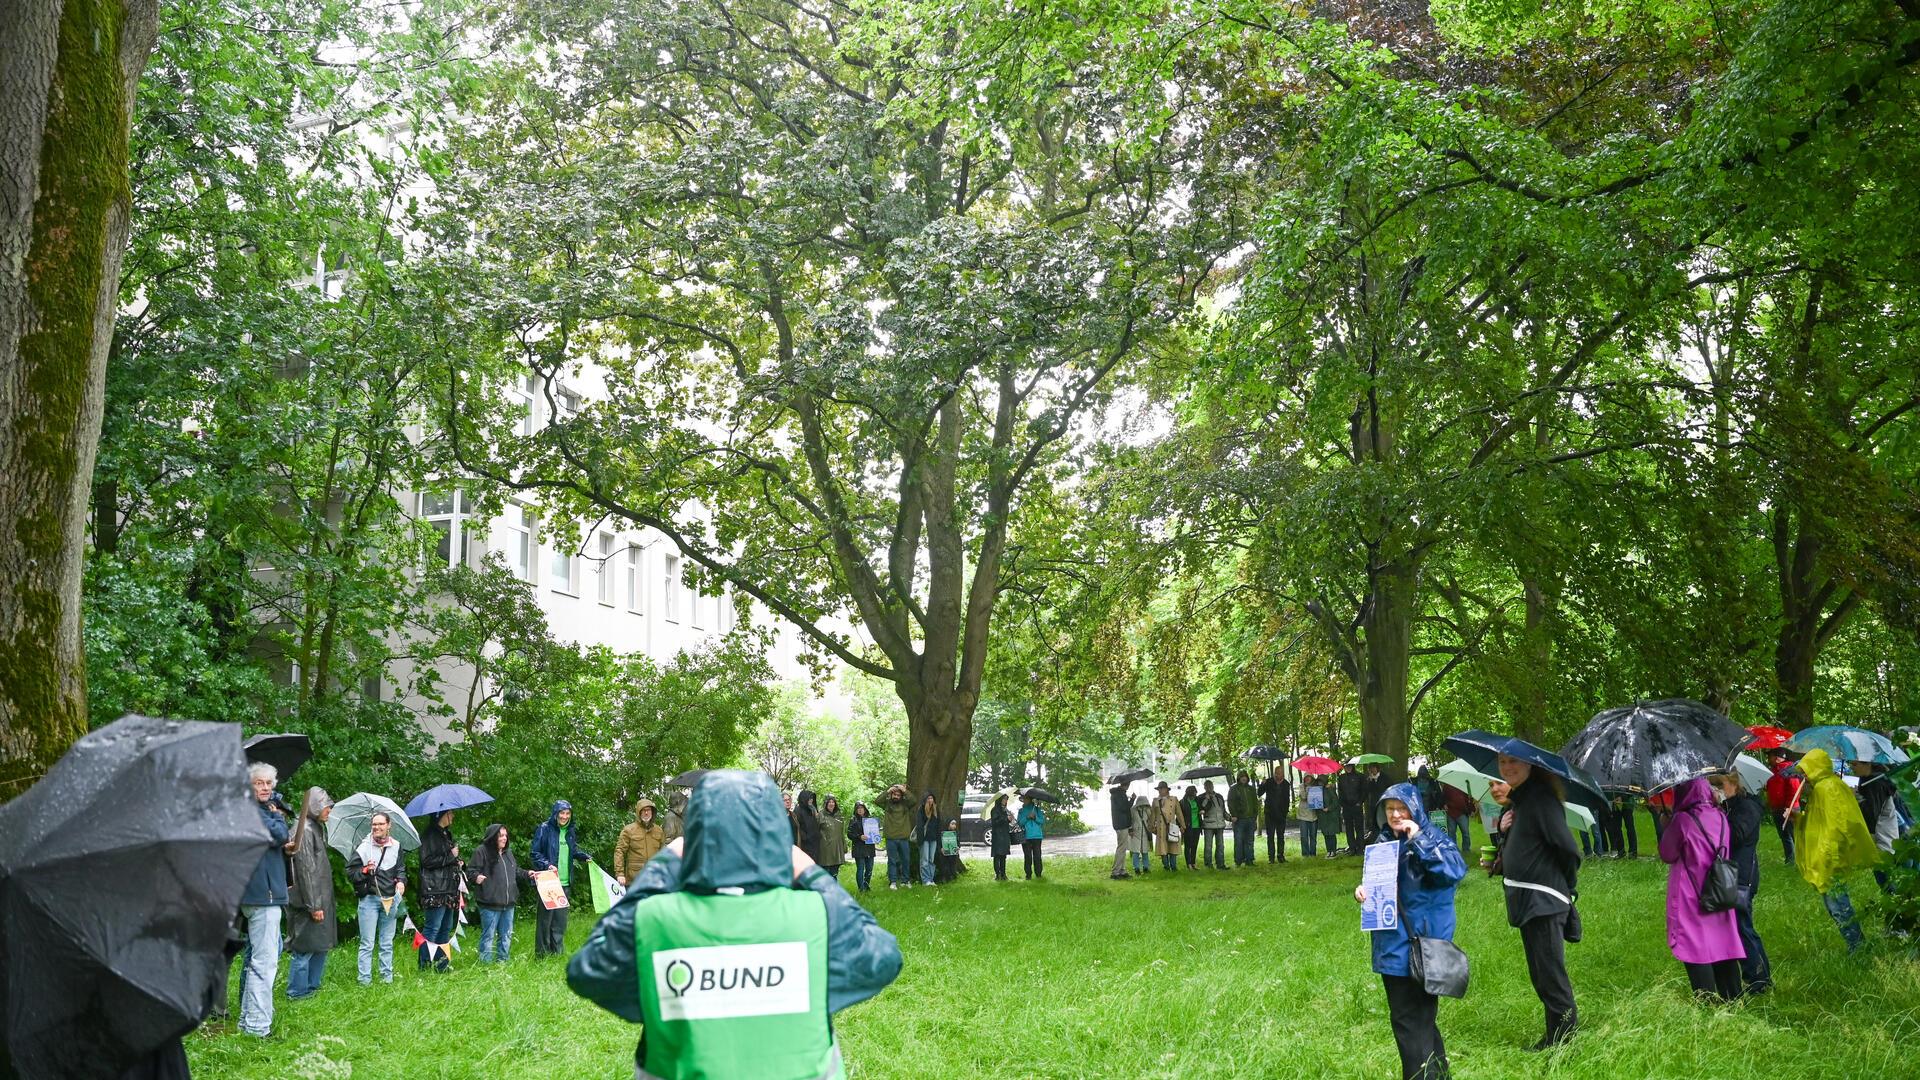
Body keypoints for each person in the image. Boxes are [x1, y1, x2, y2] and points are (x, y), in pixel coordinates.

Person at [566, 770, 903, 1080]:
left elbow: (589, 970)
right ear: (774, 835)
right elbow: (882, 958)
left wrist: (665, 864)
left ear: (694, 836)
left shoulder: (656, 919)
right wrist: (808, 871)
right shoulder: (815, 915)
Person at [1353, 783, 1466, 1080]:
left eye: (1401, 808)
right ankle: (1439, 1075)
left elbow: (1453, 872)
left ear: (1415, 809)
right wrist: (1364, 891)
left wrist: (1419, 838)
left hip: (1421, 949)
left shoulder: (1433, 839)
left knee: (1410, 1022)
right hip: (1392, 946)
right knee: (1419, 1021)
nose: (1395, 814)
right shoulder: (1383, 844)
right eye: (1389, 808)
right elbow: (1382, 889)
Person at [1498, 754, 1581, 1051]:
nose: (1507, 767)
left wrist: (1567, 884)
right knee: (1540, 974)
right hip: (1527, 901)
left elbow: (1568, 849)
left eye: (1513, 762)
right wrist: (1503, 831)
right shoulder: (1521, 801)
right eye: (1502, 761)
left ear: (1530, 765)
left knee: (1551, 975)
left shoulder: (1541, 799)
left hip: (1544, 901)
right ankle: (1554, 1035)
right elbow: (1525, 846)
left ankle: (1565, 1042)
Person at [1658, 777, 1745, 1001]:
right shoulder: (1721, 817)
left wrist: (1666, 825)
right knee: (1723, 942)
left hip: (1691, 892)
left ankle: (1706, 1000)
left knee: (1695, 945)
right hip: (1720, 887)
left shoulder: (1683, 821)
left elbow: (1667, 854)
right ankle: (1733, 997)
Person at [1792, 749, 1882, 951]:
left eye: (1806, 770)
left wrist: (1829, 857)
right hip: (1826, 856)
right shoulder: (1820, 789)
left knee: (1839, 905)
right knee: (1835, 905)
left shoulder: (1829, 788)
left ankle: (1857, 946)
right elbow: (1818, 822)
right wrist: (1798, 818)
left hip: (1830, 858)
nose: (1803, 776)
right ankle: (1856, 944)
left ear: (1816, 767)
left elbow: (1838, 826)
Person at [237, 762, 290, 1037]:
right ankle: (258, 1027)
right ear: (249, 785)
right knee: (264, 962)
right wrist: (279, 817)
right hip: (262, 896)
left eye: (269, 783)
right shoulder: (251, 811)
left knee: (258, 959)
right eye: (259, 783)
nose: (266, 788)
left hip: (259, 893)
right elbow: (279, 834)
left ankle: (248, 1022)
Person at [1711, 772, 1770, 994]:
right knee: (1732, 926)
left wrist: (1717, 817)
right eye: (1712, 785)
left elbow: (1735, 836)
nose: (1715, 789)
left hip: (1742, 875)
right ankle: (1751, 974)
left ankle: (1759, 977)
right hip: (1727, 874)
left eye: (1719, 784)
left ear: (1734, 783)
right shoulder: (1728, 807)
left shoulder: (1747, 807)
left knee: (1742, 926)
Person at [285, 787, 335, 1001]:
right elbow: (305, 870)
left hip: (319, 899)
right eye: (326, 807)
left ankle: (312, 987)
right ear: (314, 805)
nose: (329, 812)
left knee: (319, 945)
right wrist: (314, 905)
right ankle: (297, 992)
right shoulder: (304, 829)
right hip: (308, 902)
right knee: (305, 948)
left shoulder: (314, 827)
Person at [347, 811, 405, 985]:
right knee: (367, 943)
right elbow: (351, 873)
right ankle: (364, 981)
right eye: (374, 824)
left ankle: (386, 978)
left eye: (380, 824)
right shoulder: (364, 848)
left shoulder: (396, 845)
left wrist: (401, 881)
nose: (377, 827)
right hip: (369, 900)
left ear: (389, 826)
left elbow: (401, 868)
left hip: (391, 899)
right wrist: (365, 870)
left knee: (387, 942)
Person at [530, 799, 593, 957]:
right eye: (562, 813)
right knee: (545, 920)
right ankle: (542, 954)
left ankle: (556, 952)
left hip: (565, 882)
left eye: (567, 813)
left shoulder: (570, 831)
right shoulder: (544, 829)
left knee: (560, 921)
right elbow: (535, 853)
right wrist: (547, 865)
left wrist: (583, 856)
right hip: (549, 881)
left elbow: (572, 850)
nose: (565, 816)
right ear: (555, 814)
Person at [468, 822, 531, 963]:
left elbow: (515, 871)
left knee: (506, 935)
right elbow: (471, 872)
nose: (504, 838)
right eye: (501, 836)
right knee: (488, 935)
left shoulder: (508, 853)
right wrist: (477, 877)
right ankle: (486, 964)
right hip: (489, 903)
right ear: (492, 837)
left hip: (509, 903)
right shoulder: (481, 851)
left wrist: (528, 874)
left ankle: (502, 961)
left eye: (506, 836)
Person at [417, 810, 462, 972]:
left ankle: (442, 966)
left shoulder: (446, 834)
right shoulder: (429, 835)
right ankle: (424, 966)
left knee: (445, 928)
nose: (453, 816)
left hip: (449, 889)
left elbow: (446, 860)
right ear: (442, 815)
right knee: (432, 929)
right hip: (434, 890)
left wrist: (457, 862)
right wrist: (451, 856)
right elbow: (426, 861)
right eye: (451, 813)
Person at [615, 798, 667, 887]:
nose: (646, 813)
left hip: (654, 879)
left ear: (652, 812)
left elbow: (664, 853)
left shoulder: (659, 830)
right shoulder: (629, 830)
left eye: (648, 810)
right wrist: (620, 874)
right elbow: (619, 851)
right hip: (634, 880)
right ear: (639, 812)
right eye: (643, 810)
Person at [1763, 748, 1798, 865]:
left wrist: (1789, 808)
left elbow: (1794, 790)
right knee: (1784, 836)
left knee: (1793, 836)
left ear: (1778, 757)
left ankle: (1801, 861)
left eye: (1770, 756)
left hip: (1788, 809)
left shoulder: (1789, 770)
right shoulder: (1773, 771)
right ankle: (1790, 860)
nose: (1768, 759)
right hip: (1777, 808)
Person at [882, 784, 914, 888]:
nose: (896, 796)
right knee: (892, 860)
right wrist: (888, 791)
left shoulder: (905, 805)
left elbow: (913, 800)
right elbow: (877, 801)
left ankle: (905, 880)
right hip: (891, 837)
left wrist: (904, 791)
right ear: (891, 795)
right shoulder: (887, 804)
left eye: (898, 795)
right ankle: (893, 882)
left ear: (901, 796)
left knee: (906, 859)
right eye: (894, 794)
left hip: (903, 837)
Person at [1260, 768, 1292, 863]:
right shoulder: (1269, 782)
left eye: (1280, 774)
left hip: (1281, 814)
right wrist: (1262, 784)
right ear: (1274, 774)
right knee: (1270, 836)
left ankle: (1280, 856)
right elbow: (1259, 793)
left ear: (1283, 774)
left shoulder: (1286, 784)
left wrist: (1285, 812)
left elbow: (1287, 799)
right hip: (1270, 814)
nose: (1278, 776)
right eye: (1277, 774)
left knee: (1280, 836)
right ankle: (1271, 857)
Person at [1228, 771, 1259, 867]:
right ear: (1238, 778)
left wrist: (1254, 815)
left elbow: (1255, 802)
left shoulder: (1251, 789)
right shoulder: (1234, 789)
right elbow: (1230, 803)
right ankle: (1238, 860)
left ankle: (1249, 859)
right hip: (1239, 819)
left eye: (1245, 776)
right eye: (1241, 777)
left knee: (1250, 840)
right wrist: (1234, 815)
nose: (1244, 778)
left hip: (1250, 818)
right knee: (1238, 840)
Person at [913, 791, 942, 886]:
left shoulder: (936, 810)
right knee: (924, 860)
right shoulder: (921, 810)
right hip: (924, 839)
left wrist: (938, 839)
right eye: (928, 798)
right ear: (925, 800)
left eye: (932, 798)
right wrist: (920, 840)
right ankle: (925, 880)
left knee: (931, 859)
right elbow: (920, 825)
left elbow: (938, 825)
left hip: (933, 838)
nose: (930, 800)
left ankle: (931, 879)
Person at [848, 801, 879, 892]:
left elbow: (875, 834)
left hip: (869, 848)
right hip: (859, 848)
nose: (860, 810)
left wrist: (876, 837)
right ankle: (861, 889)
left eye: (862, 808)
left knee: (869, 868)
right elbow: (849, 834)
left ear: (865, 809)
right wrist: (859, 836)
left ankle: (867, 885)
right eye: (858, 808)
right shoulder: (853, 820)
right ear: (856, 810)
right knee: (860, 868)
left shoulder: (871, 820)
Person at [1109, 780, 1135, 881]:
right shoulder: (1120, 794)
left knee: (1123, 847)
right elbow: (1125, 808)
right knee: (1121, 848)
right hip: (1122, 824)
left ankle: (1122, 870)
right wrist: (1132, 800)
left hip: (1119, 823)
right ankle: (1116, 871)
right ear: (1127, 784)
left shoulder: (1117, 794)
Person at [816, 796, 847, 882]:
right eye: (829, 802)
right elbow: (815, 831)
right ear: (826, 804)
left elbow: (841, 832)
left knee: (834, 872)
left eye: (833, 802)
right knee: (825, 872)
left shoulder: (839, 816)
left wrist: (844, 845)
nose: (831, 804)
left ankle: (834, 890)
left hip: (837, 847)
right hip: (825, 848)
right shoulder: (820, 815)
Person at [1152, 781, 1181, 871]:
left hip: (1172, 826)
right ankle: (1166, 866)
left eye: (1161, 789)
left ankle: (1173, 866)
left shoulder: (1174, 799)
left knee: (1173, 846)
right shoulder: (1155, 801)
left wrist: (1182, 826)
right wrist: (1152, 826)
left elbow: (1179, 813)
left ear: (1166, 789)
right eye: (1159, 789)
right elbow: (1153, 815)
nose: (1160, 791)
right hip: (1161, 827)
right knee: (1162, 848)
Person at [1018, 792, 1047, 879]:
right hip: (1026, 836)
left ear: (1030, 799)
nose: (1024, 801)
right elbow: (1019, 823)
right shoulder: (1021, 811)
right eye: (1023, 799)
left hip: (1037, 836)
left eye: (1026, 799)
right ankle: (1028, 874)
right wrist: (1027, 817)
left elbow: (1042, 821)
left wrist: (1035, 817)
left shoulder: (1037, 810)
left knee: (1037, 856)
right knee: (1027, 857)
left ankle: (1038, 874)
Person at [1200, 780, 1228, 869]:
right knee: (1208, 846)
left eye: (1210, 785)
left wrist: (1229, 818)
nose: (1209, 788)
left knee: (1220, 846)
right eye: (1207, 786)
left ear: (1213, 786)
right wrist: (1206, 799)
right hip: (1208, 825)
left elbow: (1223, 810)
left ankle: (1221, 864)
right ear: (1204, 787)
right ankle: (1208, 865)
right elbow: (1202, 808)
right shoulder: (1201, 797)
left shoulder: (1219, 796)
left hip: (1220, 824)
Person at [1338, 764, 1366, 855]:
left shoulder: (1360, 776)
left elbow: (1364, 791)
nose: (1348, 768)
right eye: (1346, 767)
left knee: (1359, 828)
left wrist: (1360, 802)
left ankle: (1360, 848)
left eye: (1349, 766)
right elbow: (1340, 792)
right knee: (1349, 828)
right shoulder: (1341, 778)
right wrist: (1342, 804)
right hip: (1346, 807)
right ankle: (1352, 848)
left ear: (1353, 767)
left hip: (1357, 806)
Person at [1438, 781, 1473, 853]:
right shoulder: (1447, 786)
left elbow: (1468, 799)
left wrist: (1471, 809)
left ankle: (1466, 849)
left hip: (1462, 813)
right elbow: (1442, 798)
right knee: (1451, 832)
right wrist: (1443, 804)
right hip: (1451, 812)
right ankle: (1453, 849)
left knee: (1465, 832)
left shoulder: (1464, 786)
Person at [987, 793, 1015, 880]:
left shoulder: (1005, 810)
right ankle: (997, 874)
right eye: (1004, 799)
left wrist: (1010, 819)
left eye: (1006, 799)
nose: (1005, 801)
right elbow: (995, 822)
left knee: (1004, 855)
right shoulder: (995, 810)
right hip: (997, 835)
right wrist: (1006, 819)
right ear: (1000, 800)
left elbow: (1007, 822)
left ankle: (1003, 874)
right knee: (997, 855)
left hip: (1005, 834)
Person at [794, 790, 824, 865]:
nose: (811, 800)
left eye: (812, 798)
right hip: (805, 846)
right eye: (809, 798)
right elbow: (797, 826)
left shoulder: (812, 810)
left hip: (814, 845)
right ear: (804, 798)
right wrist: (806, 837)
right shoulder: (798, 810)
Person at [1363, 763, 1391, 833]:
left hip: (1383, 802)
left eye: (1373, 768)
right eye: (1370, 769)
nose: (1372, 770)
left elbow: (1389, 788)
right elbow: (1367, 790)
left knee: (1383, 819)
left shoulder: (1384, 777)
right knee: (1374, 820)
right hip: (1373, 803)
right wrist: (1370, 781)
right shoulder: (1369, 779)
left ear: (1377, 768)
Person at [1129, 795, 1154, 875]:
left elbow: (1151, 819)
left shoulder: (1147, 809)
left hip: (1145, 833)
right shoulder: (1133, 810)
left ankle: (1146, 867)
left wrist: (1149, 810)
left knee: (1145, 851)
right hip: (1135, 833)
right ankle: (1136, 868)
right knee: (1136, 852)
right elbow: (1129, 820)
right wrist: (1130, 829)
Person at [1180, 785, 1202, 869]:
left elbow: (1204, 805)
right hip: (1188, 826)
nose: (1196, 794)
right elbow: (1180, 815)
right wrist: (1181, 826)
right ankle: (1188, 863)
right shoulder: (1182, 802)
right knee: (1188, 846)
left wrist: (1201, 811)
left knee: (1194, 845)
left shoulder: (1197, 800)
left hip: (1197, 825)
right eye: (1194, 793)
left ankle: (1193, 863)